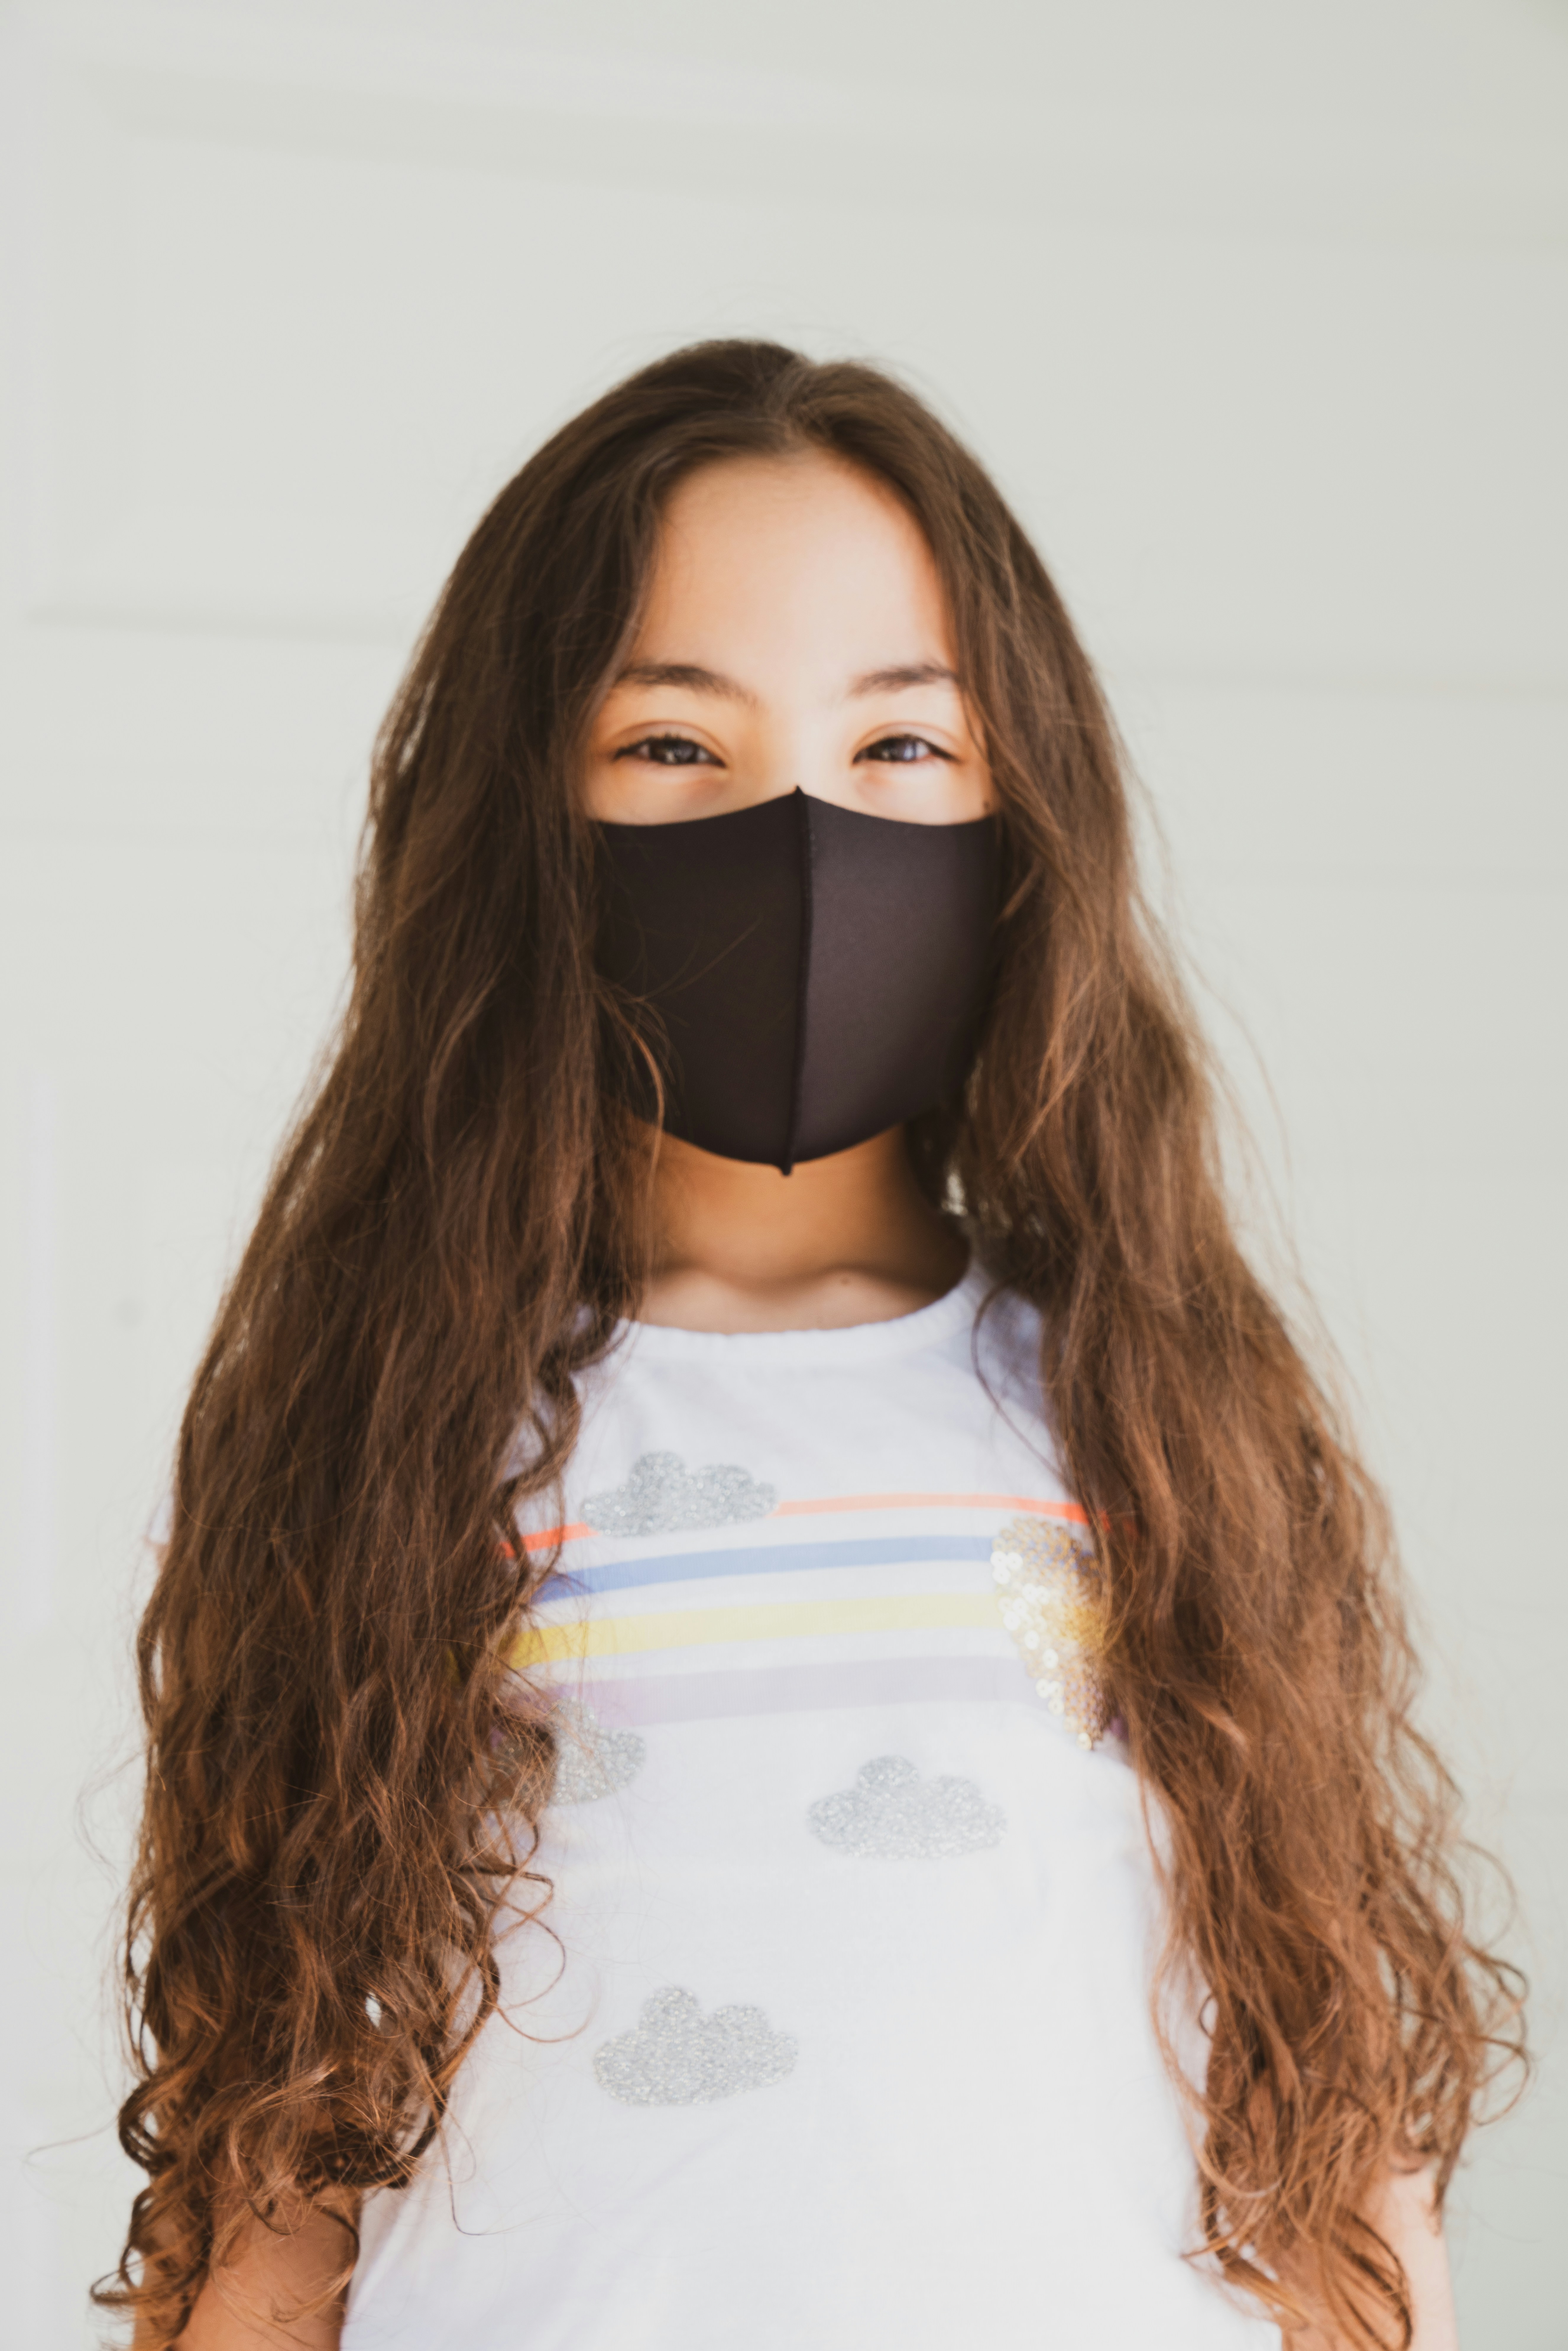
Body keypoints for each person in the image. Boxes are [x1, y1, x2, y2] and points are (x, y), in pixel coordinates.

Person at [104, 341, 1519, 2351]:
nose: (798, 829)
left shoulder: (1151, 1423)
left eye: (900, 746)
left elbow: (1334, 2150)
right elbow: (268, 2179)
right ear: (526, 816)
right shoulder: (394, 1451)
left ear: (1022, 818)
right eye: (676, 744)